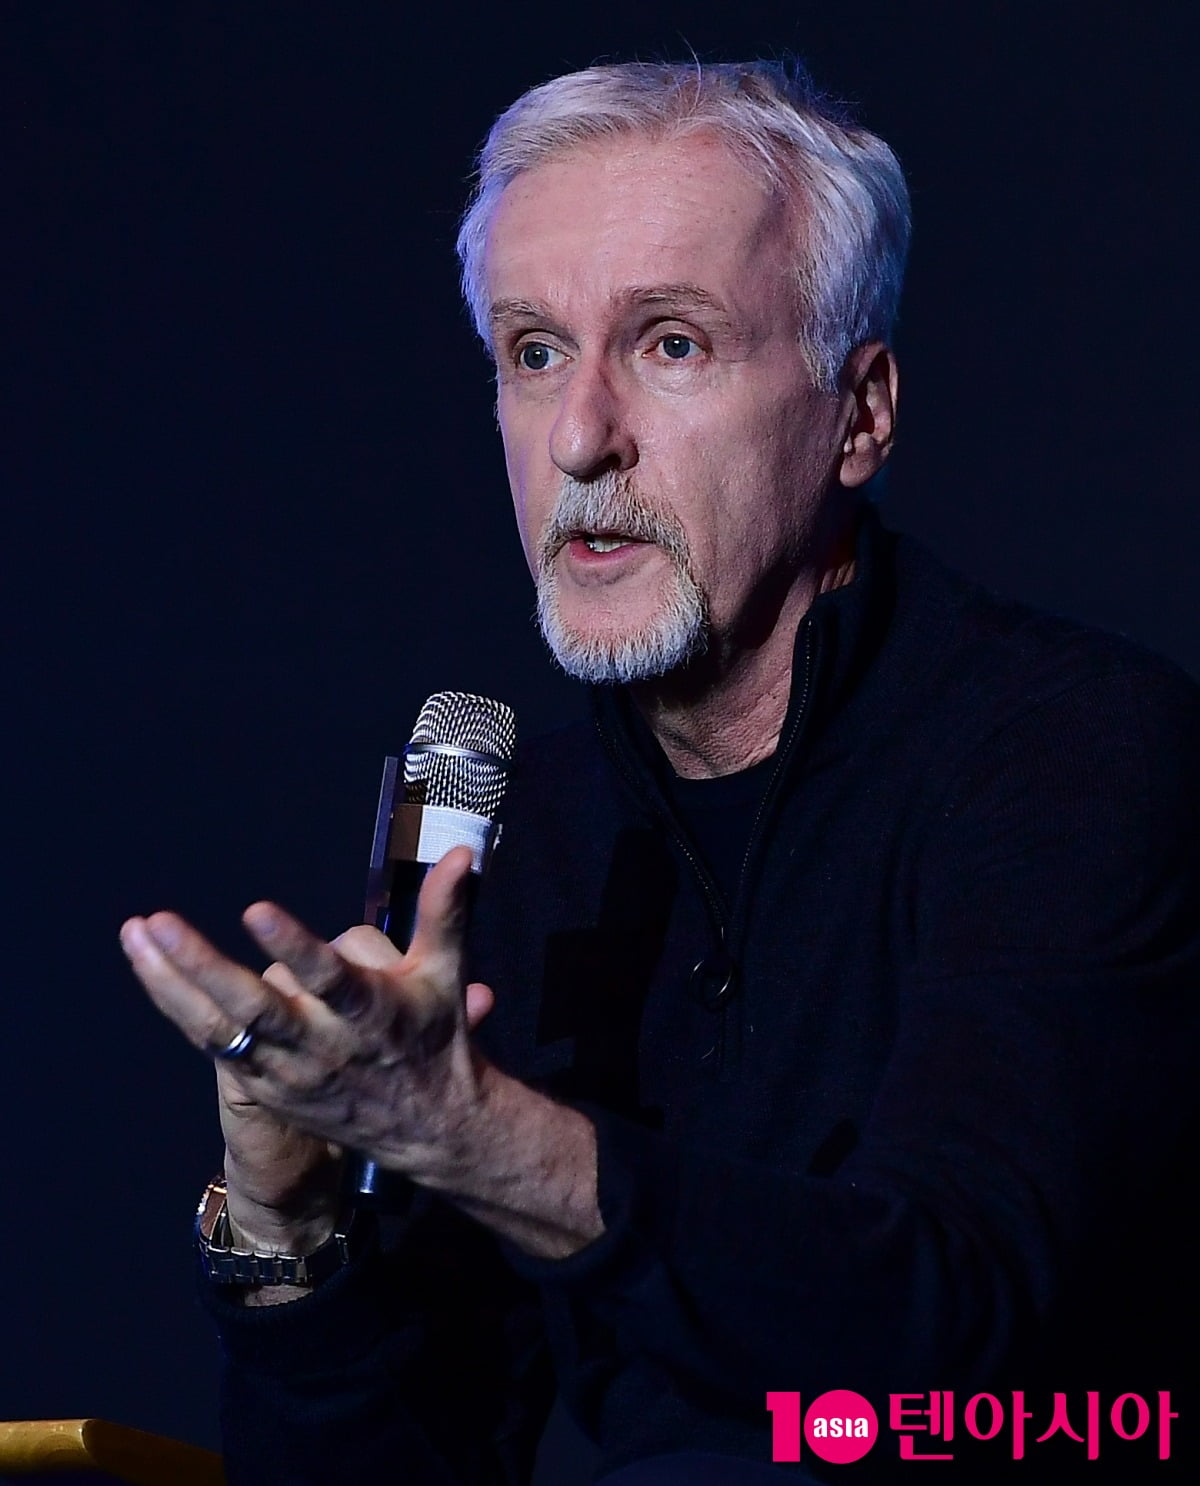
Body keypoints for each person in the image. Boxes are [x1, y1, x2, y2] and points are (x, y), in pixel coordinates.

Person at [121, 60, 1199, 1484]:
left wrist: (476, 1136)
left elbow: (944, 1324)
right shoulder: (519, 844)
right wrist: (285, 1229)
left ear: (860, 414)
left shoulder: (1075, 751)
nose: (580, 439)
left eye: (671, 344)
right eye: (534, 353)